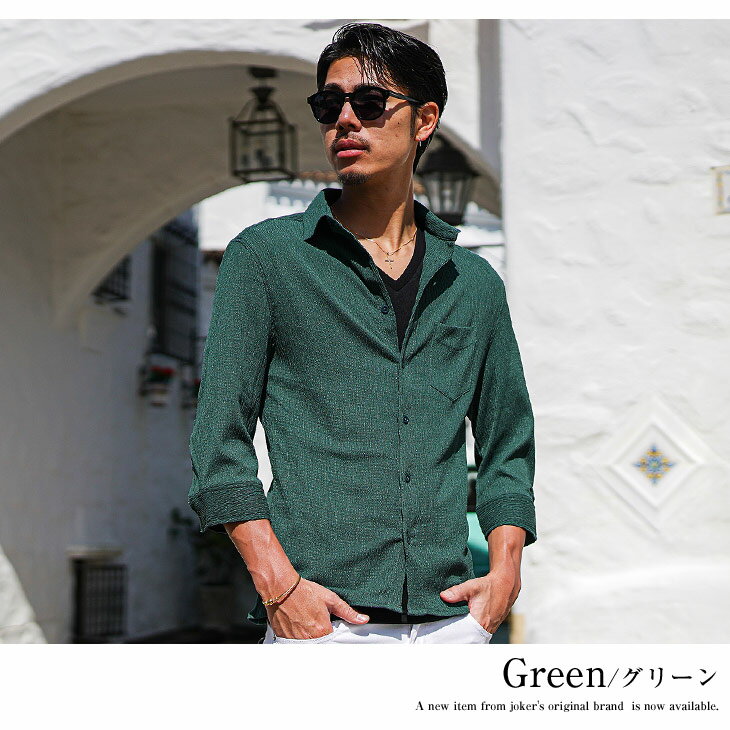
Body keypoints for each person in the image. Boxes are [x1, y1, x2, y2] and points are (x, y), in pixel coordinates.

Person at [188, 22, 537, 644]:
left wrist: (504, 572)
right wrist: (278, 586)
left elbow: (507, 439)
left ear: (424, 120)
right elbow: (220, 440)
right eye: (329, 105)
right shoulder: (267, 259)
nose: (345, 119)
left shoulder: (473, 283)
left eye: (370, 103)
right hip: (319, 623)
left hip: (451, 626)